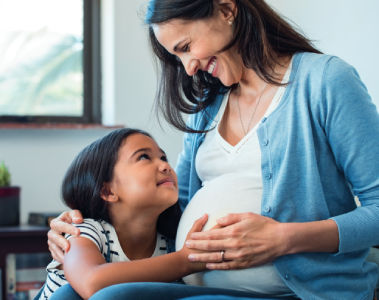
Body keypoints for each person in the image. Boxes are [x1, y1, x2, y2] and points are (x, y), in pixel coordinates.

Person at [47, 0, 379, 299]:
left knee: (110, 299)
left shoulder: (324, 81)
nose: (188, 67)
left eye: (186, 46)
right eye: (177, 57)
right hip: (190, 283)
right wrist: (82, 228)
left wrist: (283, 239)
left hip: (293, 291)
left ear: (226, 10)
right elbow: (176, 209)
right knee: (65, 296)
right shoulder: (207, 109)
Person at [38, 128, 211, 299]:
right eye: (144, 157)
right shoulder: (84, 232)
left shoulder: (170, 243)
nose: (165, 166)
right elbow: (91, 282)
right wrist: (185, 261)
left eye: (163, 157)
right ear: (108, 191)